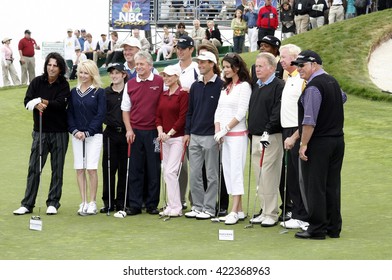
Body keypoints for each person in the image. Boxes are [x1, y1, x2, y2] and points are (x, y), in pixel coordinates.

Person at [291, 50, 346, 239]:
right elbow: (343, 98)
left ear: (314, 65)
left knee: (315, 186)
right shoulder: (332, 81)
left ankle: (317, 229)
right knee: (332, 185)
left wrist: (303, 144)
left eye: (302, 66)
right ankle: (333, 227)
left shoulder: (314, 87)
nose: (298, 70)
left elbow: (309, 121)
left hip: (320, 142)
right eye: (297, 66)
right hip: (337, 141)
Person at [13, 52, 70, 215]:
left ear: (60, 69)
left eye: (55, 66)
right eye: (49, 65)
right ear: (46, 66)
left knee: (57, 168)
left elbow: (60, 104)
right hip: (40, 132)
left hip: (59, 132)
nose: (51, 68)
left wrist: (41, 101)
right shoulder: (37, 81)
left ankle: (53, 202)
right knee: (34, 168)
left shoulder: (64, 84)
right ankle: (27, 204)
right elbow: (27, 101)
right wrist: (35, 104)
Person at [121, 51, 164, 216]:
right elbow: (125, 110)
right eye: (137, 64)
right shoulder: (130, 84)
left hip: (154, 132)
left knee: (153, 168)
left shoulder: (159, 81)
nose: (138, 67)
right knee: (135, 169)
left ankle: (152, 204)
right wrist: (129, 129)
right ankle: (135, 204)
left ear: (150, 66)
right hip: (136, 132)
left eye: (142, 64)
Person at [184, 51, 223, 220]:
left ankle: (209, 207)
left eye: (203, 62)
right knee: (195, 174)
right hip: (195, 135)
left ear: (212, 64)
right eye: (198, 62)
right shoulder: (195, 85)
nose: (200, 65)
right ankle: (198, 206)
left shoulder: (221, 85)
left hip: (211, 136)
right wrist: (187, 132)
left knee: (212, 174)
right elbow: (190, 112)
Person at [214, 53, 252, 225]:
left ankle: (234, 210)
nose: (225, 70)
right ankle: (241, 210)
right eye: (224, 67)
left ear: (237, 68)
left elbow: (241, 113)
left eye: (228, 67)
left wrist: (226, 129)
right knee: (228, 171)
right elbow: (219, 111)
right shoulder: (225, 87)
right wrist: (218, 131)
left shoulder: (244, 87)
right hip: (224, 137)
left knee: (236, 171)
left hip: (237, 136)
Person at [248, 52, 284, 227]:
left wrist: (267, 131)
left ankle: (271, 213)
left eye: (261, 66)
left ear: (272, 67)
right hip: (255, 135)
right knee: (259, 174)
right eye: (256, 66)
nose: (257, 69)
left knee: (269, 174)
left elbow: (277, 112)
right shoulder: (257, 85)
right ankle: (264, 210)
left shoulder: (278, 86)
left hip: (270, 136)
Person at [67, 60, 106, 215]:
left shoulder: (98, 91)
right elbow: (70, 114)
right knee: (80, 169)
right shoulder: (73, 91)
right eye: (81, 72)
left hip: (94, 135)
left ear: (92, 74)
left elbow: (100, 114)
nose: (83, 75)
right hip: (77, 135)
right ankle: (83, 201)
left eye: (86, 73)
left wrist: (88, 132)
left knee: (91, 169)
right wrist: (75, 131)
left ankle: (92, 202)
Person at [278, 44, 309, 230]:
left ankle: (304, 215)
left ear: (296, 58)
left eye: (284, 57)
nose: (281, 60)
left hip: (296, 131)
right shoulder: (289, 77)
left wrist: (296, 135)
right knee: (291, 176)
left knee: (300, 176)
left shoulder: (302, 79)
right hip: (286, 129)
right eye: (280, 57)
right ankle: (297, 212)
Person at [156, 65, 189, 217]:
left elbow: (183, 118)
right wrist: (161, 132)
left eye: (169, 76)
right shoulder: (163, 95)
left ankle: (176, 207)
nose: (166, 78)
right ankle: (171, 205)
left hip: (177, 138)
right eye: (164, 76)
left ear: (176, 77)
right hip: (165, 138)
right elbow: (158, 116)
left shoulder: (182, 95)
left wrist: (169, 133)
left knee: (171, 171)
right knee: (166, 171)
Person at [100, 63, 129, 213]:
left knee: (124, 169)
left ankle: (122, 202)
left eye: (117, 73)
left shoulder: (130, 90)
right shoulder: (105, 93)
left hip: (126, 134)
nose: (114, 75)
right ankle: (108, 202)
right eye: (111, 73)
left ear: (123, 74)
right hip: (110, 133)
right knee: (109, 168)